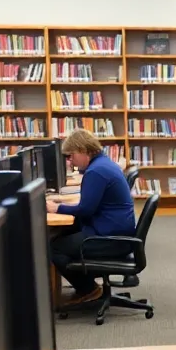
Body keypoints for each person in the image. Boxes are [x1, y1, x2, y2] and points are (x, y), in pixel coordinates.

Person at [46, 129, 137, 306]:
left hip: (110, 238)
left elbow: (86, 209)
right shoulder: (102, 165)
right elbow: (90, 203)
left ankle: (88, 289)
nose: (70, 161)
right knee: (62, 236)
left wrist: (57, 208)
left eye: (71, 156)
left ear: (83, 151)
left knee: (53, 247)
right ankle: (87, 284)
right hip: (116, 232)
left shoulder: (96, 171)